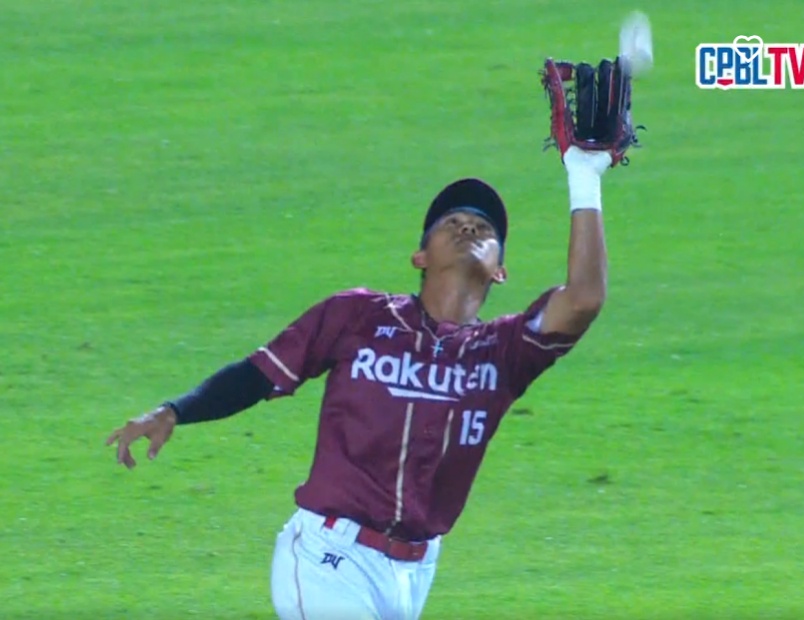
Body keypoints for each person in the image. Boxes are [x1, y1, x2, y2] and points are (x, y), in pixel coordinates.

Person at [106, 137, 614, 618]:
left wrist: (584, 176)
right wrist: (176, 410)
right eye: (451, 223)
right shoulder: (357, 317)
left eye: (483, 229)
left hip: (412, 575)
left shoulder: (504, 352)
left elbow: (584, 298)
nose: (467, 228)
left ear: (500, 269)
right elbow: (259, 374)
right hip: (325, 557)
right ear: (420, 257)